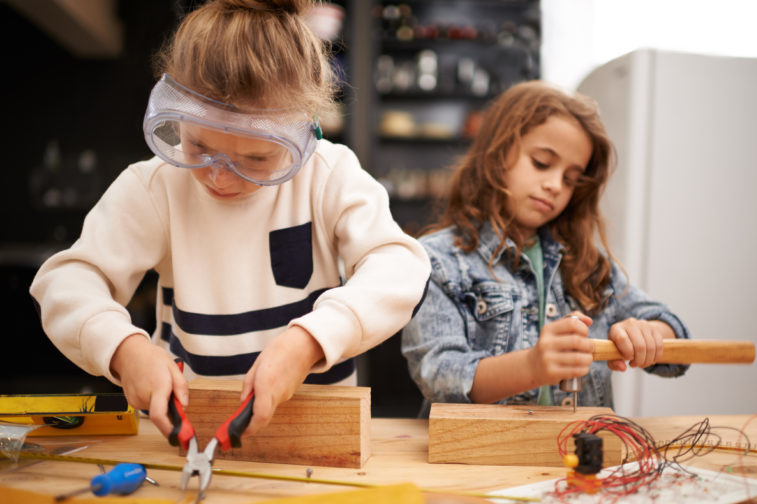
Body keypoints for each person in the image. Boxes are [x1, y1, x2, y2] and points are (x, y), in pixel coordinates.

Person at [30, 0, 430, 440]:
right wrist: (125, 350)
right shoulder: (158, 186)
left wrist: (309, 342)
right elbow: (67, 280)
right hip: (188, 430)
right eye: (200, 148)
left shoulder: (328, 175)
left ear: (302, 130)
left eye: (256, 157)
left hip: (315, 434)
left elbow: (399, 265)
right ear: (178, 113)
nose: (219, 176)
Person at [401, 80, 689, 413]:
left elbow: (674, 337)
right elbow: (440, 376)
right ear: (496, 154)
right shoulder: (437, 260)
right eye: (541, 163)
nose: (554, 185)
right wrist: (531, 367)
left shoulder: (585, 263)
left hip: (575, 456)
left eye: (570, 179)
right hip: (480, 459)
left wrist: (650, 332)